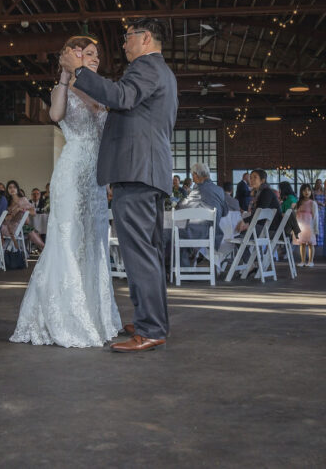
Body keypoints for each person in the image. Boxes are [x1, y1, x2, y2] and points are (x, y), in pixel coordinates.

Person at [59, 18, 177, 353]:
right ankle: (151, 321)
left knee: (139, 253)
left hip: (136, 171)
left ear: (146, 37)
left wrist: (80, 72)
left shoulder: (146, 67)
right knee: (147, 252)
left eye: (127, 37)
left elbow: (122, 97)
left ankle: (150, 328)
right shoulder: (161, 71)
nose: (124, 44)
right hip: (147, 171)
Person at [12, 34, 125, 348]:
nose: (94, 58)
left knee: (94, 242)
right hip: (72, 171)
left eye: (96, 55)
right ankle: (64, 317)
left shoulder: (102, 88)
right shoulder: (62, 88)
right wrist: (64, 76)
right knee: (67, 239)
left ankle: (97, 316)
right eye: (88, 53)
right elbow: (55, 115)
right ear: (74, 55)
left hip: (97, 178)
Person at [175, 163, 228, 267]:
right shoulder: (220, 190)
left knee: (171, 233)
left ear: (196, 175)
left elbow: (181, 208)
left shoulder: (198, 190)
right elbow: (225, 212)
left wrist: (177, 204)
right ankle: (190, 262)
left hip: (200, 233)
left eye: (192, 176)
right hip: (215, 233)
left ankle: (182, 269)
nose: (192, 179)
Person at [1, 180, 46, 254]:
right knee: (28, 229)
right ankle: (43, 248)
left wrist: (22, 209)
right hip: (7, 226)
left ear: (17, 189)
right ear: (7, 190)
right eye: (10, 187)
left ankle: (44, 248)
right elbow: (5, 217)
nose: (12, 189)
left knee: (29, 229)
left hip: (19, 226)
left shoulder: (23, 199)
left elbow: (33, 213)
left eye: (14, 187)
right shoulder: (6, 201)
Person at [235, 169, 281, 237]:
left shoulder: (266, 192)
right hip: (265, 226)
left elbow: (259, 212)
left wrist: (244, 221)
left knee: (239, 235)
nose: (251, 180)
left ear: (262, 180)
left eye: (255, 177)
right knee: (238, 232)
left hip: (271, 229)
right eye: (250, 177)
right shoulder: (259, 193)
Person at [293, 184, 319, 267]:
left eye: (308, 190)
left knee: (311, 244)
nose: (306, 192)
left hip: (310, 226)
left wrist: (315, 228)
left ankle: (311, 261)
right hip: (301, 226)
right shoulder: (299, 203)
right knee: (302, 243)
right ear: (301, 192)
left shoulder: (313, 203)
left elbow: (315, 217)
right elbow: (295, 215)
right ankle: (303, 261)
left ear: (311, 192)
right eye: (304, 190)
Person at [313, 178, 326, 247]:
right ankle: (317, 241)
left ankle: (323, 241)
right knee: (318, 225)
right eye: (318, 183)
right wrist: (318, 203)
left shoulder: (324, 192)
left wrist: (323, 204)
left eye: (320, 183)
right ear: (316, 184)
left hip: (323, 210)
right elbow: (312, 201)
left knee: (323, 226)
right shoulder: (313, 192)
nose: (319, 184)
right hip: (316, 209)